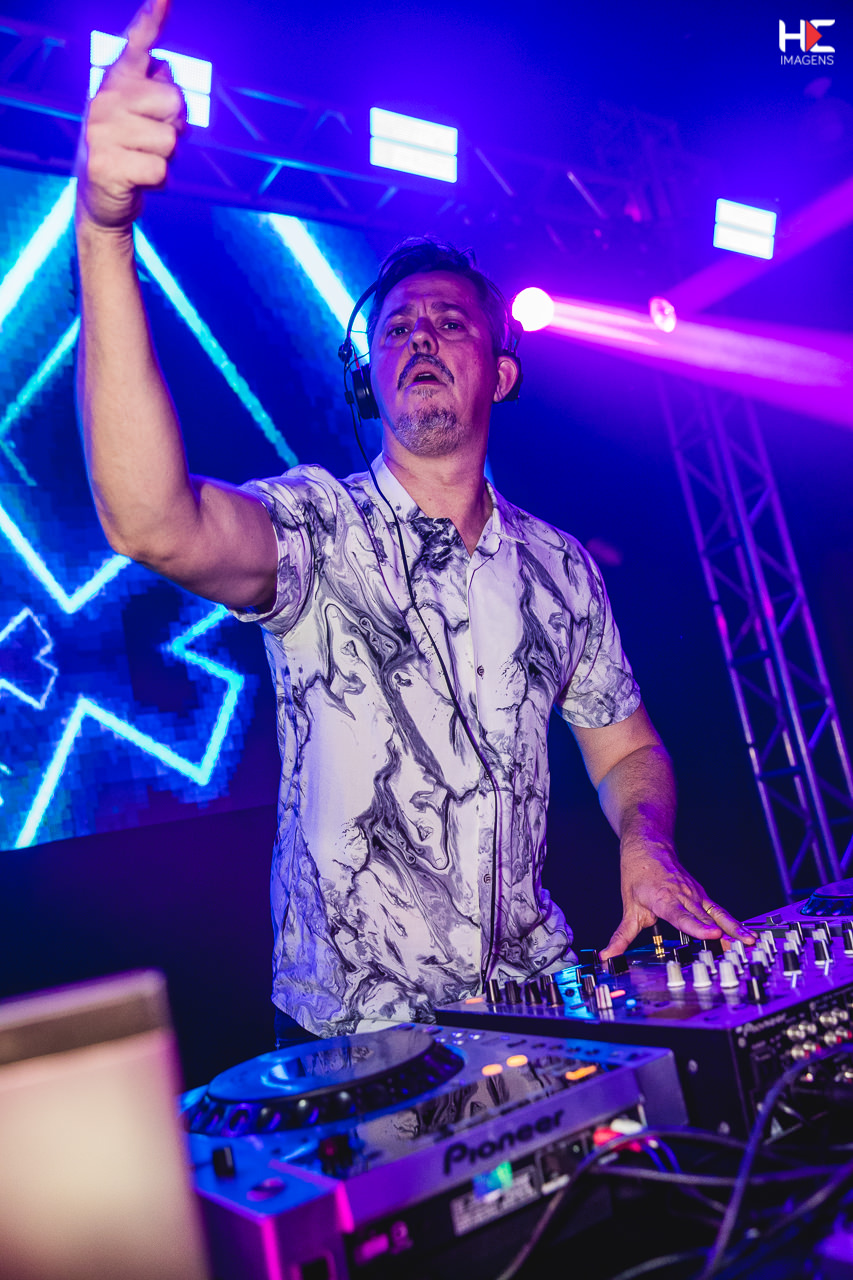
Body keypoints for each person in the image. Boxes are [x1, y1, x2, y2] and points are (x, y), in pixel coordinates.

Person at [76, 0, 755, 1043]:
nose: (421, 338)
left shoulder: (560, 568)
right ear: (369, 378)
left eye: (449, 322)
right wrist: (105, 228)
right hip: (356, 1040)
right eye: (397, 328)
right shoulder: (318, 526)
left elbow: (626, 750)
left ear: (502, 372)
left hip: (539, 1008)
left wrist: (645, 842)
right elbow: (151, 521)